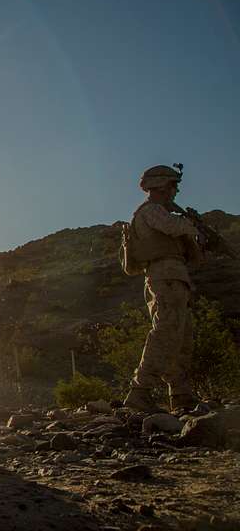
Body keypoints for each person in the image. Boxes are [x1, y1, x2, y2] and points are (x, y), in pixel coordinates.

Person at [122, 165, 203, 414]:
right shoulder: (151, 212)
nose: (175, 191)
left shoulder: (158, 212)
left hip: (174, 276)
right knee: (166, 331)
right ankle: (140, 391)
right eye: (172, 185)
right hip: (164, 276)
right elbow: (173, 227)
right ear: (160, 186)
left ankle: (180, 393)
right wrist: (191, 225)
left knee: (181, 336)